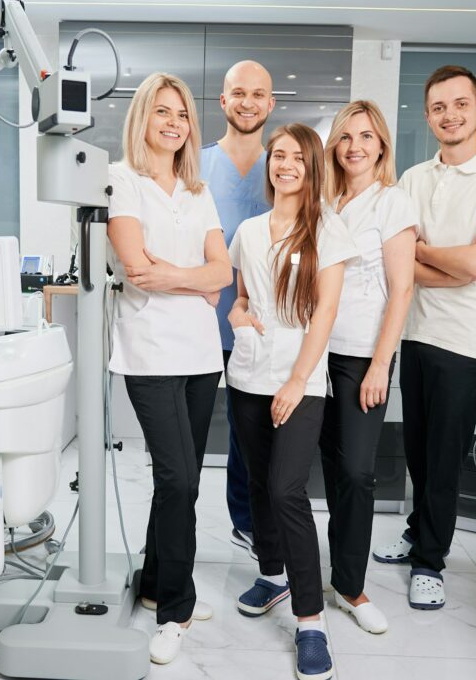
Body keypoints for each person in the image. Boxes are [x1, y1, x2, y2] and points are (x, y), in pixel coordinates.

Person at [371, 65, 476, 611]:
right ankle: (418, 531)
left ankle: (430, 563)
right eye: (439, 107)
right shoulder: (413, 179)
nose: (450, 115)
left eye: (460, 104)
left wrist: (422, 255)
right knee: (418, 451)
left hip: (467, 343)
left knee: (442, 461)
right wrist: (450, 265)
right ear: (428, 115)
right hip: (415, 334)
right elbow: (397, 263)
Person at [106, 72, 232, 665]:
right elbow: (137, 268)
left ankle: (157, 583)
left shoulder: (197, 190)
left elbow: (223, 273)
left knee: (181, 480)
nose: (174, 123)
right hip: (150, 351)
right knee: (178, 479)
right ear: (143, 117)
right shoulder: (121, 181)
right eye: (162, 111)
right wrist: (196, 281)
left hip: (202, 356)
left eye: (182, 114)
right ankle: (175, 611)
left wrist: (176, 276)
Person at [227, 123, 357, 680]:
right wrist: (236, 314)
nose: (285, 165)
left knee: (286, 490)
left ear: (312, 167)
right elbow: (241, 298)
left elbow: (325, 311)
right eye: (278, 155)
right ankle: (272, 574)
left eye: (297, 158)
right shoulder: (249, 231)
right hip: (247, 375)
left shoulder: (328, 229)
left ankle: (310, 620)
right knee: (259, 483)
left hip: (299, 380)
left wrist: (298, 380)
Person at [319, 100, 418, 633]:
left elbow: (402, 289)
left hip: (362, 356)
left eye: (365, 136)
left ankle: (352, 587)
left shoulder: (392, 203)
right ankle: (332, 573)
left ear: (381, 146)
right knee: (330, 468)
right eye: (345, 136)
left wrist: (381, 364)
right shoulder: (324, 202)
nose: (354, 146)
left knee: (357, 472)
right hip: (315, 352)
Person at [200, 60, 275, 560]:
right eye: (239, 93)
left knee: (250, 433)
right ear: (224, 101)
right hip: (199, 322)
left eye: (258, 94)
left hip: (261, 325)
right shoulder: (195, 162)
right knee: (187, 437)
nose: (248, 102)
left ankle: (247, 523)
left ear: (271, 103)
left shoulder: (284, 162)